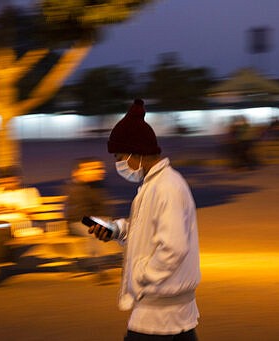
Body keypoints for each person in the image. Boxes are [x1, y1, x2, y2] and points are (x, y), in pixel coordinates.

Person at [89, 99, 201, 340]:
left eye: (119, 156)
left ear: (136, 153)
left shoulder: (166, 187)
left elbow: (173, 247)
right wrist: (117, 230)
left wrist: (142, 275)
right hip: (172, 307)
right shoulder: (155, 185)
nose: (118, 164)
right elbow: (148, 231)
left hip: (158, 308)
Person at [0, 166, 42, 283]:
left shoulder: (29, 192)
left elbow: (32, 212)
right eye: (2, 181)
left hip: (16, 224)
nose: (6, 183)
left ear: (18, 179)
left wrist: (13, 209)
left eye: (10, 180)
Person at [63, 157, 114, 274]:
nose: (100, 171)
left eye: (100, 168)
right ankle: (98, 267)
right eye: (93, 168)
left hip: (94, 221)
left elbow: (104, 210)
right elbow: (76, 214)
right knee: (95, 231)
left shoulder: (98, 186)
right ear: (79, 172)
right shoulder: (75, 188)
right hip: (76, 223)